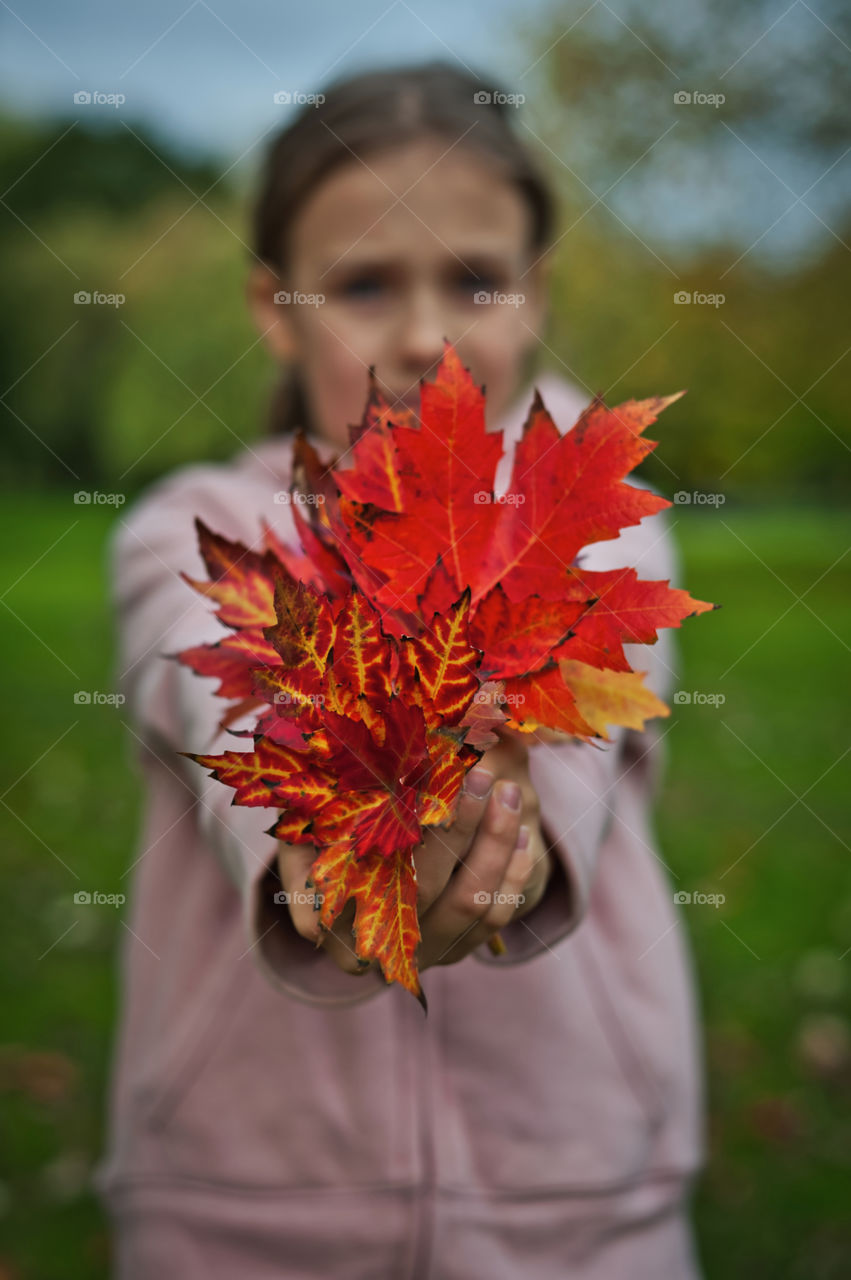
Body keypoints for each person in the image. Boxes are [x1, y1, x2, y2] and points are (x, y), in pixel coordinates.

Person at [95, 60, 706, 1279]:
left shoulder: (592, 508)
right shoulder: (193, 531)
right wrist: (313, 849)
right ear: (276, 305)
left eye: (473, 280)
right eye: (365, 283)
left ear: (533, 293)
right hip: (241, 1220)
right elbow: (200, 683)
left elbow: (584, 712)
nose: (426, 334)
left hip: (577, 1212)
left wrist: (507, 837)